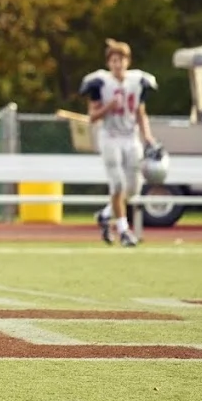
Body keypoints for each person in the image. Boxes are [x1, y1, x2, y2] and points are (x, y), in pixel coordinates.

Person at [80, 39, 158, 247]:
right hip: (110, 136)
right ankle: (124, 231)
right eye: (114, 60)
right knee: (118, 184)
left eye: (121, 60)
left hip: (130, 137)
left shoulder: (136, 82)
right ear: (108, 63)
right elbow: (92, 117)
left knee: (133, 188)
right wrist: (108, 107)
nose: (118, 64)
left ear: (128, 61)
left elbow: (141, 114)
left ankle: (106, 215)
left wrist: (148, 137)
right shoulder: (100, 83)